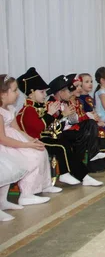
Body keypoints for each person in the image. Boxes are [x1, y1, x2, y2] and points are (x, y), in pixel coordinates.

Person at [0, 74, 61, 207]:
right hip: (5, 145)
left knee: (40, 150)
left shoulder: (10, 109)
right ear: (3, 94)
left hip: (16, 139)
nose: (18, 94)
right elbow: (3, 138)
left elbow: (17, 129)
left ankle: (44, 185)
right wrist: (25, 144)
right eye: (15, 90)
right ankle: (26, 195)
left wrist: (32, 141)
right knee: (30, 159)